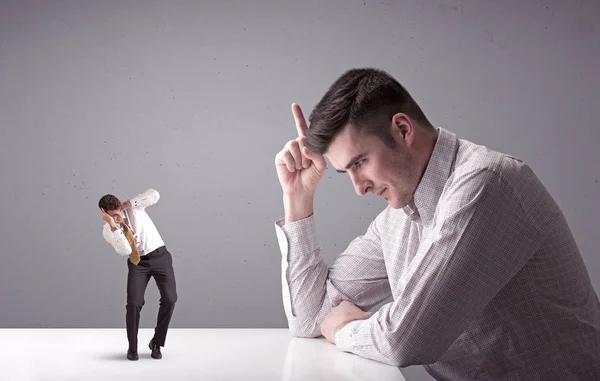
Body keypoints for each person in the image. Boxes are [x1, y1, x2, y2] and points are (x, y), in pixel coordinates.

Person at [273, 68, 600, 380]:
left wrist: (345, 329)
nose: (359, 188)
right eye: (347, 172)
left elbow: (404, 341)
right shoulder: (398, 217)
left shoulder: (486, 183)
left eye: (360, 163)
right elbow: (311, 317)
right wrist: (298, 198)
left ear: (402, 129)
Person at [98, 189, 177, 361]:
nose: (118, 218)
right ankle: (132, 348)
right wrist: (113, 225)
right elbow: (125, 250)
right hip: (138, 263)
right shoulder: (108, 230)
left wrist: (129, 203)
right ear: (105, 215)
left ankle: (157, 342)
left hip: (160, 257)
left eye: (118, 213)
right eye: (112, 216)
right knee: (134, 303)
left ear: (120, 206)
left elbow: (155, 195)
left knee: (170, 299)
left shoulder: (135, 209)